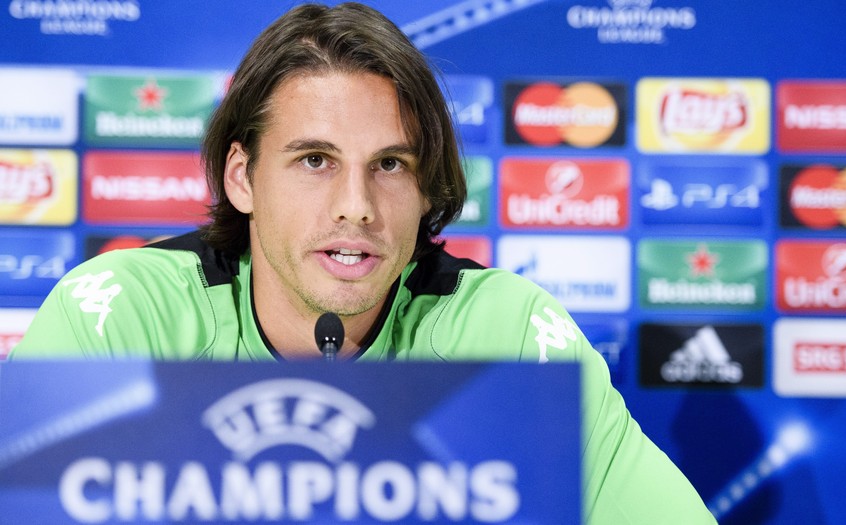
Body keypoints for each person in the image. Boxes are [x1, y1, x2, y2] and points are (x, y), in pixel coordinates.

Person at [11, 3, 716, 523]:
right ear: (242, 177)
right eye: (314, 160)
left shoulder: (510, 333)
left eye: (389, 165)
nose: (357, 206)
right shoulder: (117, 315)